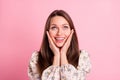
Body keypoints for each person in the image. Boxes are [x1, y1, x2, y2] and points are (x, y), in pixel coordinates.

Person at [28, 10, 91, 80]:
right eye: (54, 28)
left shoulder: (82, 57)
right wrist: (57, 56)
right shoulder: (36, 59)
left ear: (71, 31)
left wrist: (63, 54)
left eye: (65, 27)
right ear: (47, 32)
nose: (59, 33)